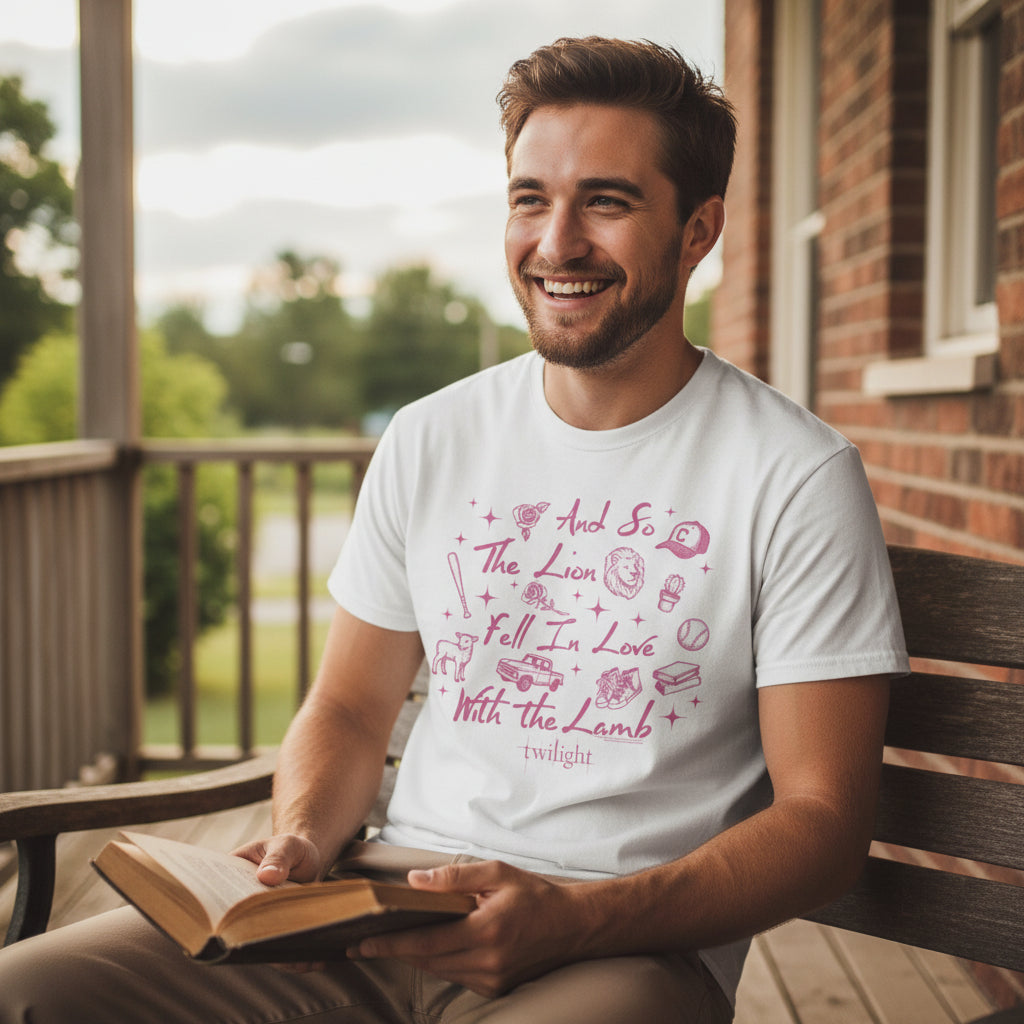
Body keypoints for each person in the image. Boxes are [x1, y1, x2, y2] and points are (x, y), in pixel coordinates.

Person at [0, 36, 909, 1024]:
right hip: (376, 906)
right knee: (27, 990)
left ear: (698, 232)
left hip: (618, 944)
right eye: (530, 198)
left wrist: (580, 918)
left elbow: (822, 823)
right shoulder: (431, 437)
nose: (556, 242)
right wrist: (302, 835)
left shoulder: (793, 475)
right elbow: (350, 707)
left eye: (606, 201)